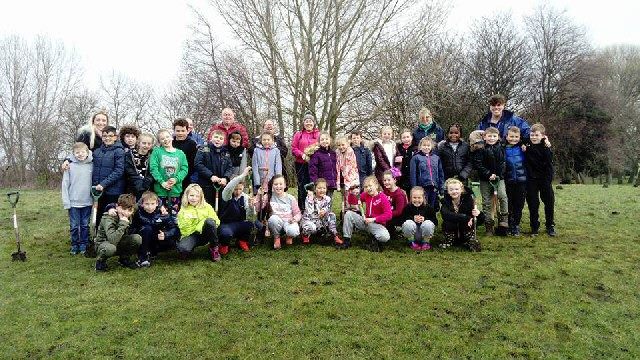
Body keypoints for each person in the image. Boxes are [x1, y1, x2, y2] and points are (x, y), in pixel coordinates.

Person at [341, 175, 392, 252]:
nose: (368, 188)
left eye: (370, 186)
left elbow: (389, 215)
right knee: (348, 214)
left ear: (376, 185)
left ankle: (374, 241)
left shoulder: (383, 198)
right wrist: (352, 193)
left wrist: (374, 219)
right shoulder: (366, 195)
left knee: (385, 237)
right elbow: (354, 202)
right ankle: (346, 240)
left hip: (377, 225)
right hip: (366, 222)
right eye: (366, 187)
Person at [473, 127, 508, 235]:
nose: (492, 138)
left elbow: (503, 163)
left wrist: (498, 175)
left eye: (494, 136)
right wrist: (488, 174)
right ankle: (489, 225)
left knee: (502, 196)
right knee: (487, 201)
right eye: (489, 136)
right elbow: (478, 164)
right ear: (484, 137)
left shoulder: (501, 148)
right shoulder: (480, 149)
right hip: (485, 179)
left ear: (498, 137)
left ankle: (503, 219)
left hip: (499, 178)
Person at [94, 194, 142, 271]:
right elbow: (112, 240)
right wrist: (123, 224)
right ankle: (100, 261)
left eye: (129, 210)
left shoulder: (130, 212)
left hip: (119, 241)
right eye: (123, 209)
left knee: (137, 238)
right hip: (104, 243)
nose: (126, 212)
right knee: (110, 248)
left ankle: (124, 259)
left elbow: (140, 205)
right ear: (117, 207)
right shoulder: (109, 217)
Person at [132, 191, 179, 267]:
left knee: (170, 242)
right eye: (147, 204)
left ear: (157, 204)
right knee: (147, 229)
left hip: (157, 237)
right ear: (142, 204)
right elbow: (120, 205)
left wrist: (165, 234)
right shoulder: (137, 212)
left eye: (152, 204)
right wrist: (110, 208)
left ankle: (153, 252)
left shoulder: (163, 214)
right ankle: (143, 257)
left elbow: (174, 228)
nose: (150, 207)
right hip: (142, 238)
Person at [524, 123, 556, 236]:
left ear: (543, 136)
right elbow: (514, 137)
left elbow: (549, 164)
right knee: (533, 203)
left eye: (536, 135)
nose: (533, 137)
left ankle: (550, 225)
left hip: (544, 179)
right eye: (531, 135)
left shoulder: (546, 147)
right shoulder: (526, 144)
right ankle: (534, 227)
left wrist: (548, 180)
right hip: (531, 179)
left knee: (549, 202)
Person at [62, 142, 93, 255]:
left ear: (87, 152)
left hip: (87, 202)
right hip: (73, 202)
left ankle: (84, 244)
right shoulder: (69, 166)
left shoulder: (91, 164)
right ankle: (75, 244)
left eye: (82, 152)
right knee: (74, 225)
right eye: (77, 152)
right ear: (73, 154)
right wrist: (66, 202)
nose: (80, 154)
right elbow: (65, 184)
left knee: (85, 225)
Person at [176, 184, 222, 261]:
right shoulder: (183, 210)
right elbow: (184, 230)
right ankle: (189, 248)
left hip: (205, 233)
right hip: (191, 235)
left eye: (197, 196)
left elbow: (216, 221)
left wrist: (200, 226)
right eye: (191, 195)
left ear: (201, 197)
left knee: (210, 222)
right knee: (183, 249)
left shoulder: (207, 206)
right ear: (186, 196)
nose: (194, 198)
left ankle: (214, 248)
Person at [92, 126, 125, 226]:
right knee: (98, 215)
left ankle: (111, 238)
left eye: (110, 136)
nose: (107, 138)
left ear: (115, 137)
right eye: (105, 136)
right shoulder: (97, 151)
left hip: (113, 191)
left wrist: (103, 184)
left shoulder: (119, 151)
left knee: (111, 216)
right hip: (99, 190)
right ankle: (97, 238)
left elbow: (119, 171)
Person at [218, 167, 255, 254]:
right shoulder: (226, 195)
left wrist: (250, 206)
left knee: (250, 224)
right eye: (235, 189)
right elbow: (229, 187)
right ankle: (224, 245)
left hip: (239, 223)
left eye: (240, 189)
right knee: (226, 233)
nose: (238, 192)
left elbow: (250, 216)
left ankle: (242, 241)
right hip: (226, 225)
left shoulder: (245, 197)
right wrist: (243, 175)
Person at [149, 129, 189, 209]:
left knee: (174, 217)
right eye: (162, 138)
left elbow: (184, 169)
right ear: (159, 141)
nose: (166, 139)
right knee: (161, 216)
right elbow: (153, 168)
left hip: (175, 191)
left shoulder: (180, 153)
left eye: (167, 137)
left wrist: (176, 179)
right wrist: (162, 182)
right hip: (160, 191)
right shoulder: (157, 152)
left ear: (172, 137)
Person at [440, 178, 483, 251]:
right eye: (451, 190)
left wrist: (478, 214)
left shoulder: (469, 200)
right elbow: (445, 214)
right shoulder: (445, 201)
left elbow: (480, 220)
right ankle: (449, 241)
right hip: (452, 230)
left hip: (465, 230)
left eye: (456, 189)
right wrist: (466, 218)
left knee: (469, 222)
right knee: (447, 222)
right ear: (448, 191)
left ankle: (470, 241)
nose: (454, 191)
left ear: (461, 190)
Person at [194, 129, 234, 208]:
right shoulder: (203, 149)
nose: (218, 139)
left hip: (220, 186)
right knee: (206, 207)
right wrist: (211, 176)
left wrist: (226, 178)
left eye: (221, 138)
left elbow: (230, 167)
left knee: (220, 209)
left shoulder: (226, 153)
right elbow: (198, 164)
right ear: (211, 138)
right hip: (206, 185)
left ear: (224, 141)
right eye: (216, 137)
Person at [260, 175, 302, 249]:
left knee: (293, 231)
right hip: (276, 223)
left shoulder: (291, 198)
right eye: (275, 184)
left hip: (288, 222)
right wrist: (258, 196)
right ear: (272, 185)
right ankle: (276, 237)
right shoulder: (268, 196)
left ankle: (289, 236)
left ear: (285, 185)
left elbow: (298, 213)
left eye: (281, 184)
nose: (278, 186)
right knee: (273, 219)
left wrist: (294, 219)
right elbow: (259, 208)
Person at [300, 178, 343, 246]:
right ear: (315, 189)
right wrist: (310, 197)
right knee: (312, 228)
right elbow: (309, 211)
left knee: (332, 215)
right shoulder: (309, 198)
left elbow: (327, 208)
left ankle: (334, 235)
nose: (322, 190)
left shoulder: (327, 199)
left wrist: (324, 211)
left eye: (324, 188)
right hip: (311, 220)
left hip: (321, 221)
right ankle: (305, 235)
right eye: (319, 188)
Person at [291, 112, 320, 211]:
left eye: (310, 121)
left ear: (314, 123)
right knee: (302, 186)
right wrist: (302, 154)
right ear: (303, 123)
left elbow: (322, 146)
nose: (308, 123)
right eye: (306, 121)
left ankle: (313, 208)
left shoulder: (318, 134)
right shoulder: (298, 134)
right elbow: (294, 148)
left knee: (313, 185)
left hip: (315, 165)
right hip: (301, 164)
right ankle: (302, 208)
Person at [409, 137, 445, 210]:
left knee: (432, 206)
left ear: (431, 146)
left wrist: (441, 187)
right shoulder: (416, 158)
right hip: (422, 186)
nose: (426, 147)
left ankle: (431, 220)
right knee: (423, 206)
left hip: (434, 186)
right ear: (420, 146)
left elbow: (440, 173)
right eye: (424, 145)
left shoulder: (436, 158)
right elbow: (413, 174)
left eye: (428, 145)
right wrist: (414, 188)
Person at [504, 126, 527, 236]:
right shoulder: (503, 148)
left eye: (516, 137)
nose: (514, 139)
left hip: (521, 181)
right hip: (508, 181)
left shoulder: (523, 148)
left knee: (519, 204)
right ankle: (509, 224)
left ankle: (516, 225)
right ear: (507, 137)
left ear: (520, 137)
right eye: (511, 136)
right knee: (509, 203)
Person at [401, 186, 437, 251]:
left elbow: (435, 221)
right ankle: (411, 242)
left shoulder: (429, 208)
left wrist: (425, 219)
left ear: (423, 198)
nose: (417, 200)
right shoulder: (407, 207)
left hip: (424, 233)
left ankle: (426, 242)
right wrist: (412, 218)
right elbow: (402, 220)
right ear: (411, 198)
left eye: (419, 198)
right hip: (413, 234)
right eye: (414, 197)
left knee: (428, 223)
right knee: (408, 223)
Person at [124, 132, 155, 199]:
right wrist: (139, 184)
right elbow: (129, 170)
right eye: (144, 143)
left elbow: (153, 171)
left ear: (152, 145)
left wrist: (146, 184)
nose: (146, 145)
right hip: (132, 188)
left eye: (149, 144)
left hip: (148, 188)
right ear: (138, 143)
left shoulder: (153, 156)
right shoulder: (130, 154)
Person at [308, 132, 338, 199]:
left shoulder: (333, 153)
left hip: (331, 183)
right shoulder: (316, 154)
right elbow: (313, 170)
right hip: (321, 184)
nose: (325, 141)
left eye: (326, 139)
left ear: (330, 140)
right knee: (320, 201)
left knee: (329, 200)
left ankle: (328, 210)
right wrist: (315, 183)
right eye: (322, 139)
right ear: (319, 142)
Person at [173, 118, 198, 194]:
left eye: (183, 131)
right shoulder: (171, 143)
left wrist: (183, 175)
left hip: (186, 178)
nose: (180, 133)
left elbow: (193, 163)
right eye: (178, 131)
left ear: (187, 131)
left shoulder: (192, 144)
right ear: (174, 131)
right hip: (171, 176)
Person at [381, 170, 408, 236]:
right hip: (389, 213)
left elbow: (399, 211)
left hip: (399, 217)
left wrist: (385, 215)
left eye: (389, 180)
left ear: (394, 180)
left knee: (387, 222)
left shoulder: (399, 194)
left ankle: (396, 231)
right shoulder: (385, 191)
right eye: (384, 180)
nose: (386, 182)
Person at [395, 129, 416, 195]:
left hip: (412, 176)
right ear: (401, 139)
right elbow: (394, 163)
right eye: (404, 137)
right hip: (401, 177)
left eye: (407, 137)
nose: (406, 139)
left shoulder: (416, 148)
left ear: (411, 137)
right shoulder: (397, 148)